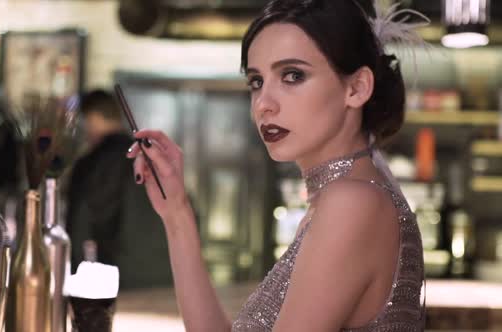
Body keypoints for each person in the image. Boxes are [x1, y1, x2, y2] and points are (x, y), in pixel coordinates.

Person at [126, 0, 426, 330]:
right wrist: (177, 215)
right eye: (256, 81)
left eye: (292, 75)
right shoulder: (341, 198)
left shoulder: (352, 203)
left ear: (356, 88)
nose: (263, 105)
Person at [66, 89, 171, 289]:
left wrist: (78, 281)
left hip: (120, 282)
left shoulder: (91, 164)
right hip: (166, 277)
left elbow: (78, 225)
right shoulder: (152, 157)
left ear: (92, 118)